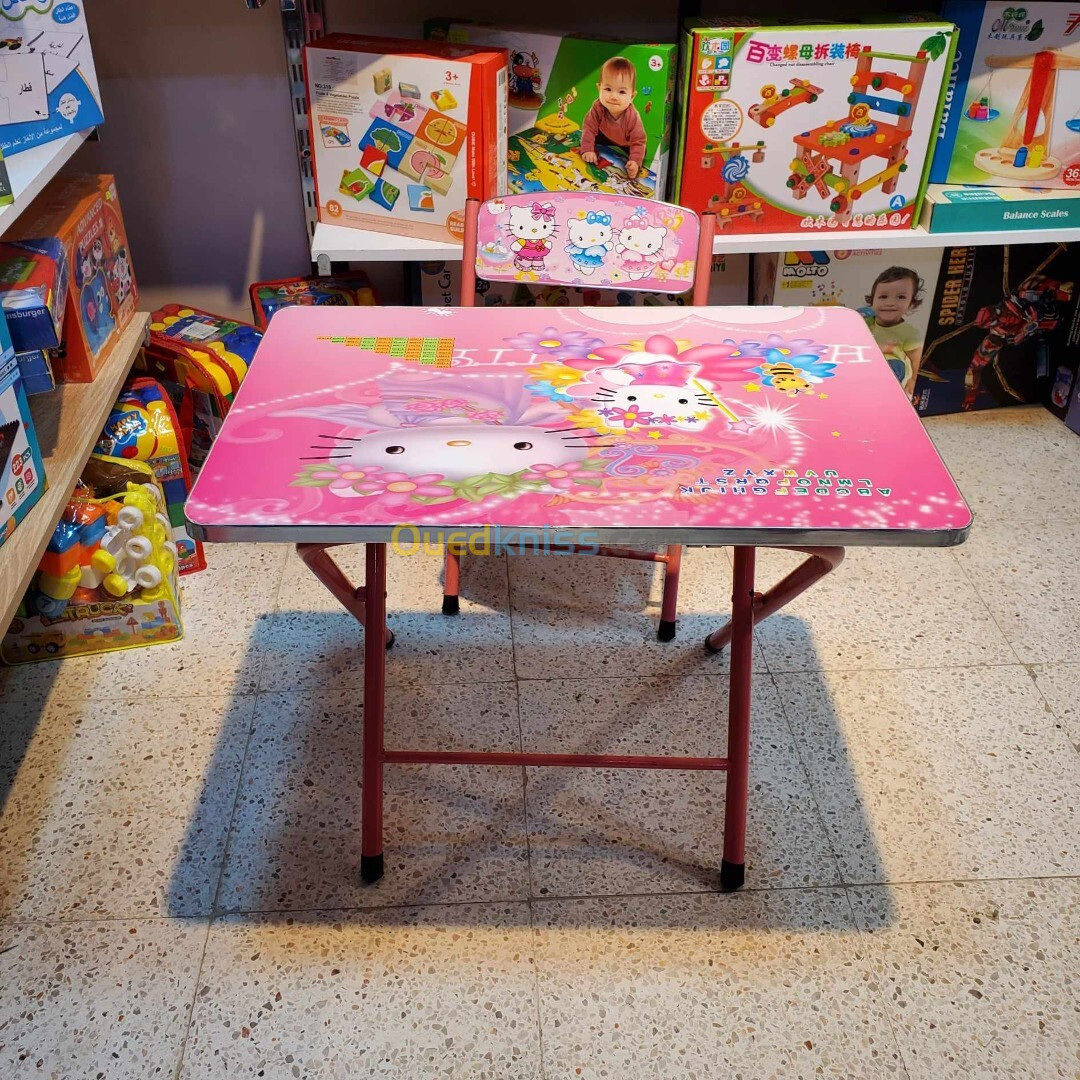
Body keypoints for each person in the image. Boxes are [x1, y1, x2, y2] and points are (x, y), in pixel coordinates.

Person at [580, 56, 647, 180]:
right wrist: (587, 150)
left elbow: (638, 141)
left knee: (639, 154)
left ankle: (634, 165)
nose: (613, 96)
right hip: (604, 136)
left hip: (626, 143)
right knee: (589, 140)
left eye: (621, 92)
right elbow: (589, 127)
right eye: (608, 89)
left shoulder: (632, 116)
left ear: (632, 96)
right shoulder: (598, 107)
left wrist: (634, 162)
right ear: (599, 88)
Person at [863, 266, 924, 395]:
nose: (890, 303)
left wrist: (913, 380)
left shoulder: (909, 333)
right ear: (872, 300)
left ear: (911, 304)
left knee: (894, 365)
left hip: (892, 370)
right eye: (883, 297)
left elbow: (916, 358)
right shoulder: (868, 322)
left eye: (901, 297)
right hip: (868, 365)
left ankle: (883, 391)